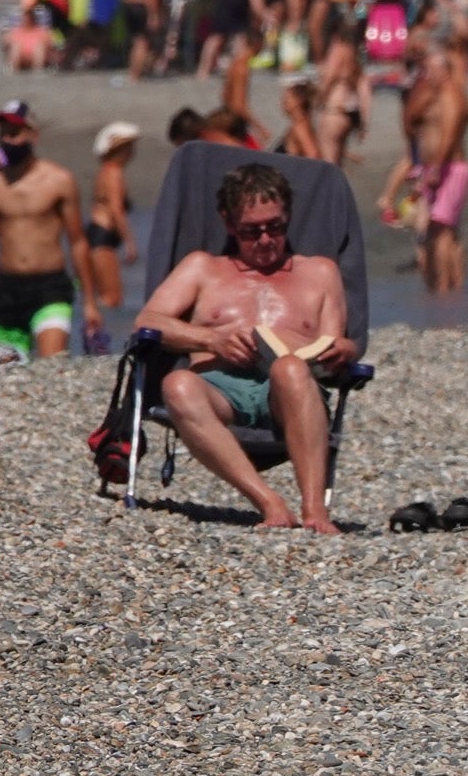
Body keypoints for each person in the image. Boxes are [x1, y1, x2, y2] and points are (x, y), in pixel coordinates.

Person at [135, 164, 353, 534]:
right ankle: (269, 502)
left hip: (292, 389)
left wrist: (343, 350)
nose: (266, 240)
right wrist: (211, 339)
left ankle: (315, 510)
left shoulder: (319, 272)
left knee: (288, 369)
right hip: (221, 389)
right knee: (177, 385)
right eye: (252, 231)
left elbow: (334, 342)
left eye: (276, 227)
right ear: (229, 222)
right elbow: (147, 322)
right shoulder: (203, 268)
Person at [0, 100, 103, 364]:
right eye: (3, 133)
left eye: (14, 133)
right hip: (6, 288)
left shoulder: (59, 180)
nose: (7, 139)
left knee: (53, 369)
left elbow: (78, 242)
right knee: (6, 381)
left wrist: (90, 302)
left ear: (32, 135)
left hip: (50, 286)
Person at [392, 46, 468, 292]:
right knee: (439, 231)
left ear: (443, 71)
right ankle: (447, 290)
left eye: (429, 71)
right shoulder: (432, 94)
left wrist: (436, 167)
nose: (425, 75)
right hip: (435, 168)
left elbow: (449, 135)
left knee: (442, 231)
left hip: (447, 168)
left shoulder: (451, 96)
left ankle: (448, 290)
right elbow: (410, 118)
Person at [87, 122, 139, 312]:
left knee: (104, 298)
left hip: (98, 236)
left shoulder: (105, 171)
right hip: (103, 237)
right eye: (130, 147)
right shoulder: (114, 173)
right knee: (112, 299)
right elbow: (116, 210)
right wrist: (130, 243)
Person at [316, 23, 368, 164]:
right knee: (338, 163)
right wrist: (363, 122)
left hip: (333, 112)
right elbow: (364, 91)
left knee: (329, 165)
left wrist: (319, 98)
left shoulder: (338, 50)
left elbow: (330, 76)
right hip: (349, 114)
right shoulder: (355, 58)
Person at [222, 30, 272, 148]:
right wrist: (260, 128)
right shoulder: (242, 68)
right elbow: (239, 105)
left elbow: (224, 95)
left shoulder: (234, 63)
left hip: (229, 120)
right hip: (237, 124)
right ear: (258, 45)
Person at [275, 78, 321, 158]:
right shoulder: (303, 123)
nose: (283, 102)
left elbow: (313, 155)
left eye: (287, 98)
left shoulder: (299, 127)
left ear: (299, 100)